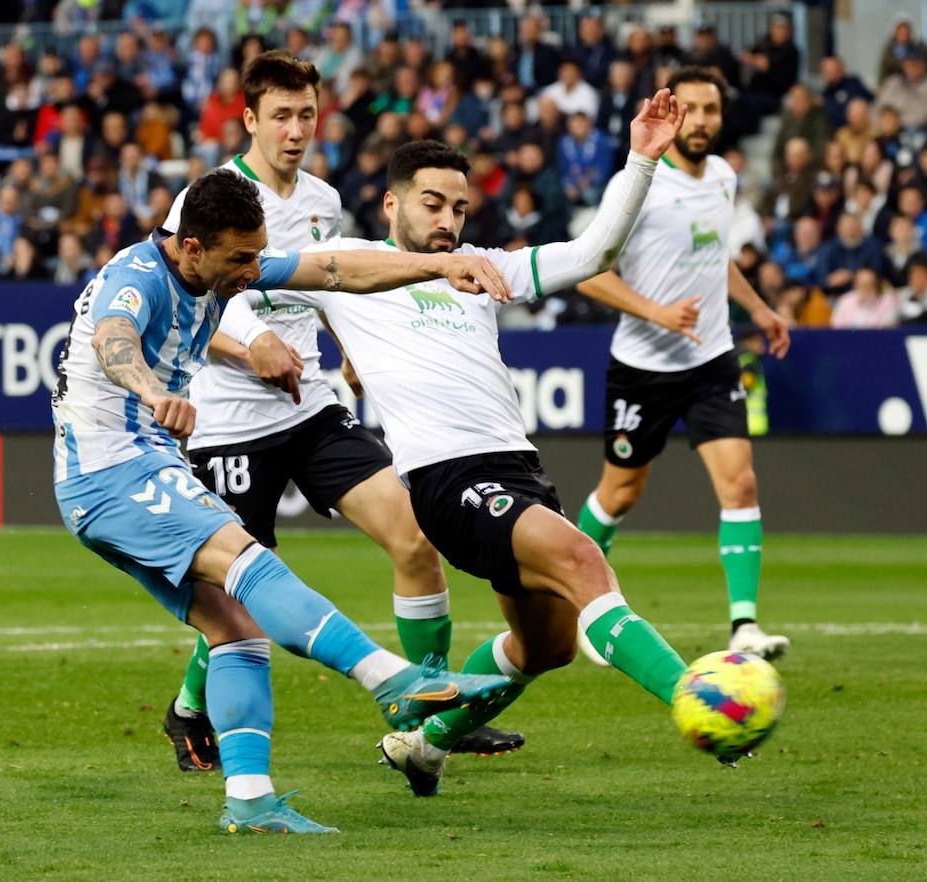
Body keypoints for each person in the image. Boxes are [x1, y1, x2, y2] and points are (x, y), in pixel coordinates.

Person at [216, 90, 699, 798]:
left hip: (518, 467)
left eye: (460, 209)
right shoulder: (344, 263)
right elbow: (236, 280)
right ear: (391, 206)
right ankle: (701, 698)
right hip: (447, 479)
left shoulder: (481, 266)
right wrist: (255, 339)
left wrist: (642, 161)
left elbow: (597, 252)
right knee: (581, 556)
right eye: (433, 204)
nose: (448, 222)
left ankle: (424, 742)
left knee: (549, 646)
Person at [51, 168, 518, 833]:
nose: (252, 271)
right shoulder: (137, 278)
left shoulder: (217, 267)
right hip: (113, 472)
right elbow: (114, 339)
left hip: (125, 472)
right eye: (241, 258)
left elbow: (337, 270)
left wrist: (439, 266)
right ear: (192, 248)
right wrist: (153, 393)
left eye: (256, 254)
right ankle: (393, 680)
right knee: (252, 561)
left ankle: (249, 801)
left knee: (237, 629)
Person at [154, 51, 523, 773]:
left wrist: (350, 347)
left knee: (414, 537)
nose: (296, 130)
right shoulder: (212, 197)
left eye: (307, 116)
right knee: (239, 594)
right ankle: (189, 706)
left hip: (313, 409)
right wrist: (250, 344)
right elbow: (179, 306)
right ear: (250, 119)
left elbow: (337, 285)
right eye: (281, 116)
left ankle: (433, 701)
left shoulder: (323, 202)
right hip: (230, 419)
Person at [569, 68, 792, 661]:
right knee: (619, 495)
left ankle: (744, 624)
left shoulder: (723, 176)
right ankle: (574, 607)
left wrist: (761, 311)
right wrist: (655, 312)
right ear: (670, 114)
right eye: (690, 108)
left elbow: (715, 258)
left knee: (739, 480)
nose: (702, 120)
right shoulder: (636, 184)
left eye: (711, 109)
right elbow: (586, 271)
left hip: (712, 358)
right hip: (642, 367)